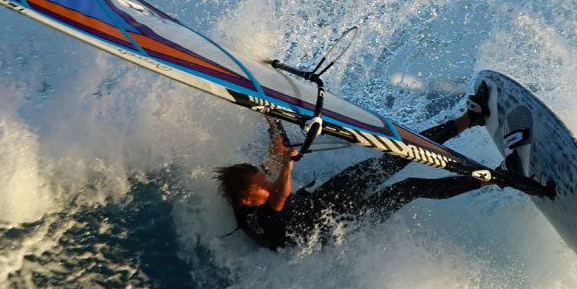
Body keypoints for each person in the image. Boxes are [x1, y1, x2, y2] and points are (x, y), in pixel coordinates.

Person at [214, 85, 516, 251]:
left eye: (264, 179)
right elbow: (278, 198)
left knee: (396, 155)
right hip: (339, 229)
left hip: (324, 201)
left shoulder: (247, 196)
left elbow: (274, 162)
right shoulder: (261, 215)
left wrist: (269, 115)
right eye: (263, 185)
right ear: (246, 199)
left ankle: (470, 119)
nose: (267, 183)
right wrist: (287, 169)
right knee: (410, 186)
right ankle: (495, 179)